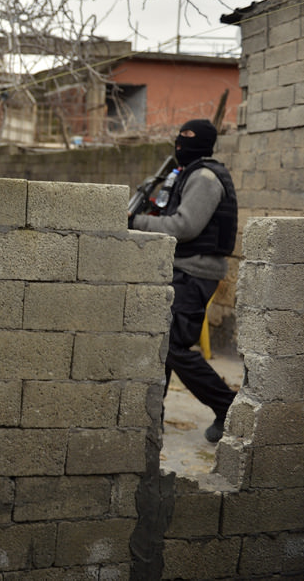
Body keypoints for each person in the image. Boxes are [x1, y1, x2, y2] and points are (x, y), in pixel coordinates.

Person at [129, 119, 238, 443]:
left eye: (188, 136)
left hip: (195, 272)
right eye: (180, 134)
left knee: (173, 347)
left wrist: (135, 222)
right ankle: (151, 423)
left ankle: (228, 407)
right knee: (161, 345)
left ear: (204, 141)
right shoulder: (185, 174)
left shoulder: (204, 177)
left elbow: (184, 227)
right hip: (180, 269)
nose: (180, 140)